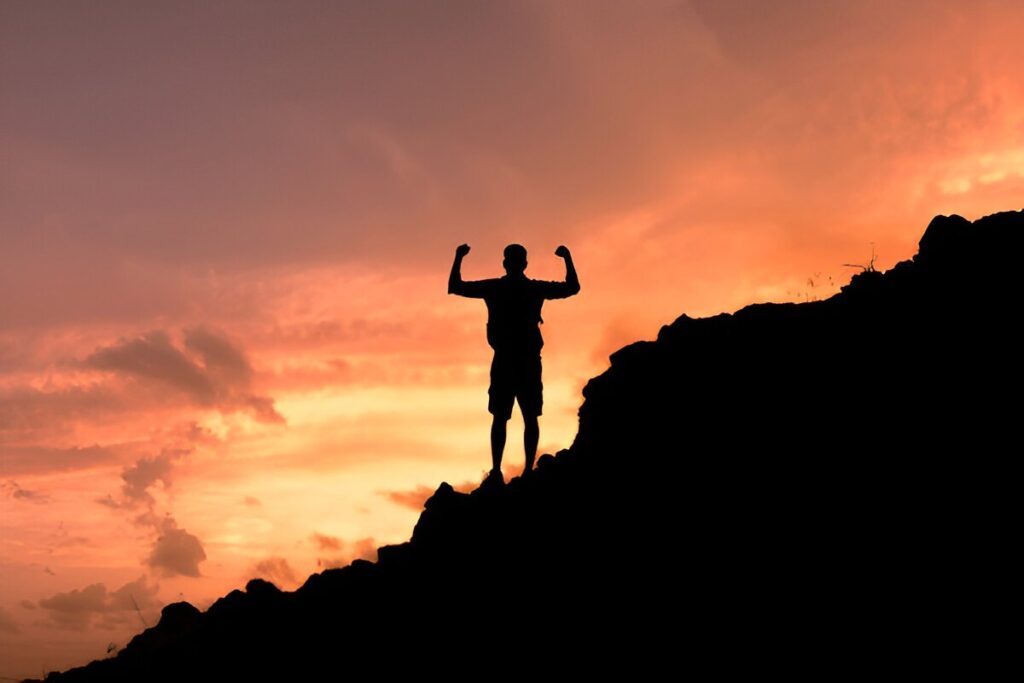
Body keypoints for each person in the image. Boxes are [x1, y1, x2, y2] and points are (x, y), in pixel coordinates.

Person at [448, 243, 580, 482]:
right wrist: (567, 258)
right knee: (525, 416)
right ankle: (520, 470)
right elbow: (572, 288)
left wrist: (459, 258)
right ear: (524, 264)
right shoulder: (532, 288)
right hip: (523, 360)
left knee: (505, 416)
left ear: (506, 263)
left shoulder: (498, 288)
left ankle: (500, 469)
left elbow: (455, 286)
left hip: (509, 360)